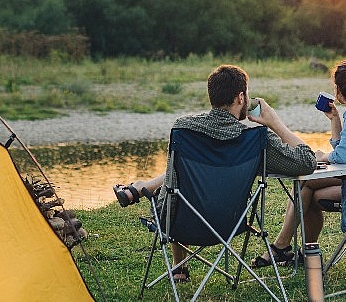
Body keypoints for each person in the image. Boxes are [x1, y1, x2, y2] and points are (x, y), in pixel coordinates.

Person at [112, 64, 317, 282]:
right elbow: (307, 162)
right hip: (229, 224)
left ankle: (178, 265)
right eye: (247, 94)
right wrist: (275, 123)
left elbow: (172, 184)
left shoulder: (184, 129)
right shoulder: (256, 139)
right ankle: (142, 189)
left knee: (175, 183)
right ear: (240, 98)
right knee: (176, 179)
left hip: (179, 224)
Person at [251, 58, 346, 268]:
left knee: (306, 187)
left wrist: (321, 157)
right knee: (307, 189)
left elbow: (342, 157)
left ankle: (284, 248)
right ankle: (298, 251)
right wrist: (335, 120)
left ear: (338, 90)